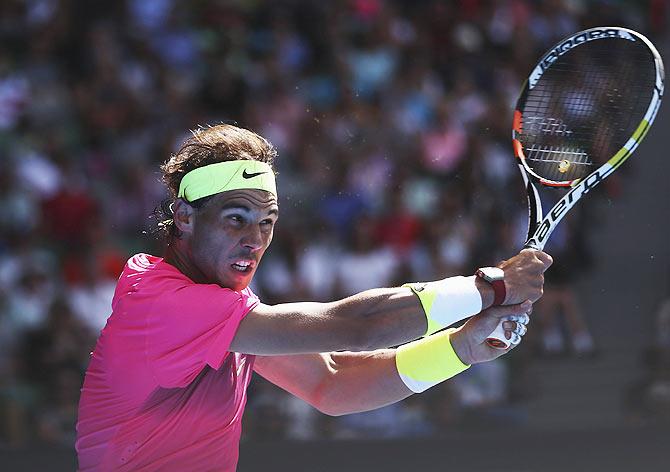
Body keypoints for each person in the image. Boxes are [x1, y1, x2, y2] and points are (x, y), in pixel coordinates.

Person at [75, 124, 552, 471]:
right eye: (235, 217)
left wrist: (460, 349)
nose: (255, 239)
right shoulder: (160, 303)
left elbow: (332, 384)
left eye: (267, 222)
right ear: (183, 217)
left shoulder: (228, 312)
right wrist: (491, 287)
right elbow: (355, 327)